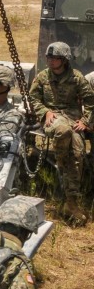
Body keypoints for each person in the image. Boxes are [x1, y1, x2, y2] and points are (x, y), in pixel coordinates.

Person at [29, 42, 94, 225]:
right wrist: (45, 112)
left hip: (73, 118)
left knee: (78, 151)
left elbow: (90, 100)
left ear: (64, 60)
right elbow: (33, 99)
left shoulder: (76, 78)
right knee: (63, 131)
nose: (50, 61)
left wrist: (86, 121)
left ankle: (71, 202)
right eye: (48, 57)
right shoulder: (42, 77)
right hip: (52, 118)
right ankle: (61, 167)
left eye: (54, 58)